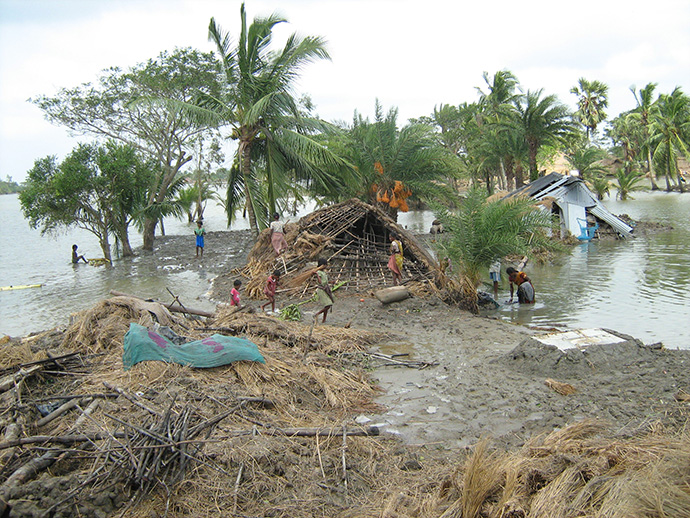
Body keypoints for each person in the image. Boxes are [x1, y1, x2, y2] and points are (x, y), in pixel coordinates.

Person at [313, 258, 334, 323]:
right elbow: (320, 282)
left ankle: (323, 320)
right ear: (322, 265)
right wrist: (316, 274)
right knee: (329, 304)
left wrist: (331, 282)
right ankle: (317, 314)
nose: (326, 266)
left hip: (325, 289)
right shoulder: (318, 272)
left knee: (327, 305)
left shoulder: (323, 273)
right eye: (325, 265)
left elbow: (325, 281)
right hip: (321, 290)